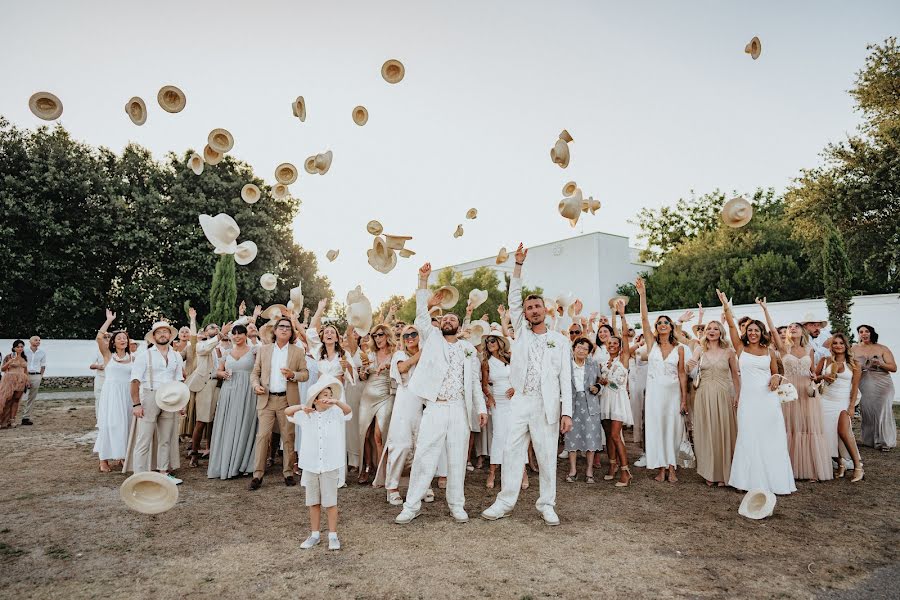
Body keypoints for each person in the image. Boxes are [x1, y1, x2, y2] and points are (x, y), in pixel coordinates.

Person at [482, 244, 572, 526]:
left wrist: (566, 411)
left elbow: (565, 380)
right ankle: (505, 502)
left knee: (546, 456)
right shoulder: (520, 330)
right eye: (529, 307)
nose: (533, 310)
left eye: (537, 307)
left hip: (547, 404)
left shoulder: (560, 340)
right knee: (511, 451)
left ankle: (547, 504)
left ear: (545, 310)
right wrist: (517, 265)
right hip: (519, 400)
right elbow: (513, 298)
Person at [395, 262, 487, 525]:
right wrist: (423, 282)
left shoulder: (468, 349)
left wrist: (480, 408)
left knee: (458, 457)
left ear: (459, 327)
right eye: (445, 318)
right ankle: (411, 506)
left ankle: (457, 505)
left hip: (459, 408)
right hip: (435, 407)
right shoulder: (432, 338)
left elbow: (474, 383)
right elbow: (421, 318)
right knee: (425, 455)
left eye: (452, 320)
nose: (447, 320)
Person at [718, 290, 795, 495]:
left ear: (762, 333)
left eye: (756, 330)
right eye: (750, 330)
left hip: (767, 399)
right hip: (748, 399)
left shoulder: (769, 351)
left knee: (771, 437)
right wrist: (726, 305)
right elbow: (732, 325)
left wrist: (777, 377)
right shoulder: (740, 347)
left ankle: (775, 481)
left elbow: (775, 371)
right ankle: (746, 481)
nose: (752, 333)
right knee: (748, 436)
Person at [758, 299, 832, 481]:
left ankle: (811, 470)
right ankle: (786, 467)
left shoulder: (810, 349)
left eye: (795, 327)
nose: (792, 328)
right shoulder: (784, 348)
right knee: (787, 426)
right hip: (788, 390)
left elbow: (812, 370)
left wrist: (815, 377)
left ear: (802, 331)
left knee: (808, 426)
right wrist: (765, 309)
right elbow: (773, 331)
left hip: (807, 389)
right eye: (790, 327)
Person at [374, 325, 438, 504]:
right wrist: (422, 353)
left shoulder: (429, 357)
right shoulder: (400, 355)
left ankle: (423, 485)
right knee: (401, 445)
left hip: (424, 405)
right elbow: (402, 369)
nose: (410, 337)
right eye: (406, 335)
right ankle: (392, 487)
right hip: (405, 404)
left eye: (414, 334)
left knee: (422, 446)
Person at [287, 375, 352, 551]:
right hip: (311, 465)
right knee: (313, 502)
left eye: (330, 394)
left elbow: (348, 411)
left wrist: (336, 402)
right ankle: (314, 534)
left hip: (330, 464)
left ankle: (333, 535)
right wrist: (303, 406)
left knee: (330, 502)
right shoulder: (306, 416)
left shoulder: (337, 413)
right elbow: (288, 412)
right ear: (315, 399)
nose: (327, 397)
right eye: (324, 394)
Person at [636, 277, 687, 483]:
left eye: (666, 322)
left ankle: (672, 467)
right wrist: (643, 295)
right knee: (657, 427)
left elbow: (683, 373)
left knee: (673, 428)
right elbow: (644, 319)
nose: (663, 324)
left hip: (673, 393)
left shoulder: (680, 348)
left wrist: (684, 399)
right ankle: (660, 468)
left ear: (672, 326)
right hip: (655, 393)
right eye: (660, 323)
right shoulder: (652, 345)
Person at [249, 316, 310, 490]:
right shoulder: (264, 350)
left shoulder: (297, 352)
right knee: (262, 436)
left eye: (288, 328)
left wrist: (293, 375)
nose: (284, 329)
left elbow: (305, 374)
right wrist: (255, 385)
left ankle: (288, 473)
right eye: (281, 326)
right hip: (266, 399)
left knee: (288, 437)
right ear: (275, 330)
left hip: (287, 400)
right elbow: (255, 373)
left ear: (291, 333)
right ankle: (258, 475)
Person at [123, 321, 185, 483]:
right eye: (159, 332)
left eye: (166, 332)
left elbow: (179, 380)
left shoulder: (176, 356)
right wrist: (136, 404)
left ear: (170, 335)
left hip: (171, 398)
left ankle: (163, 473)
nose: (163, 334)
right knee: (144, 438)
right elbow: (135, 381)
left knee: (166, 438)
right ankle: (139, 475)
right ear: (154, 336)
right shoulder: (145, 355)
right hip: (150, 397)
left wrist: (181, 403)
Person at [685, 320, 740, 487]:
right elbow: (689, 368)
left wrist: (738, 395)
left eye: (716, 328)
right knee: (707, 432)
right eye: (709, 328)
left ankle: (724, 473)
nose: (712, 331)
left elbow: (736, 376)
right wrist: (689, 364)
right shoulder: (700, 349)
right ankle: (709, 472)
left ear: (721, 332)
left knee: (724, 432)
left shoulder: (729, 352)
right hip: (704, 394)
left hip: (724, 394)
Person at [207, 324, 259, 480]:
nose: (237, 337)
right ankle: (225, 462)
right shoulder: (227, 353)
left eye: (240, 334)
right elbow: (216, 372)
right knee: (227, 425)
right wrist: (221, 373)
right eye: (234, 334)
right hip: (228, 392)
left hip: (247, 392)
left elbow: (260, 370)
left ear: (246, 336)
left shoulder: (254, 351)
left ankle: (243, 464)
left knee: (245, 424)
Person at [815, 333, 865, 481]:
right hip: (824, 401)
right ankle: (840, 463)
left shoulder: (854, 364)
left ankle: (858, 466)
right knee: (828, 433)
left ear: (846, 346)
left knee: (844, 432)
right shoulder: (825, 361)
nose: (838, 345)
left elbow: (855, 388)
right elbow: (814, 377)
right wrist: (823, 377)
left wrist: (851, 407)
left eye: (841, 343)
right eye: (835, 343)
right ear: (832, 346)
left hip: (842, 402)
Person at [482, 327, 526, 490]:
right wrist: (490, 396)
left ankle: (522, 472)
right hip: (498, 402)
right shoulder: (486, 362)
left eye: (492, 340)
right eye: (487, 342)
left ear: (500, 342)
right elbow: (484, 384)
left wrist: (515, 388)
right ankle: (492, 473)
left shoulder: (511, 357)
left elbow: (522, 376)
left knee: (516, 435)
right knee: (499, 436)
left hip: (514, 401)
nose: (490, 344)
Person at [92, 311, 134, 473]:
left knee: (127, 425)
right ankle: (103, 460)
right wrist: (109, 320)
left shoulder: (134, 357)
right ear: (113, 342)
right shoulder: (108, 355)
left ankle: (122, 456)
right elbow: (99, 338)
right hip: (112, 395)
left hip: (128, 395)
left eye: (125, 338)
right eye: (119, 338)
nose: (123, 340)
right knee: (111, 425)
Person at [599, 300, 634, 486]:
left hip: (618, 400)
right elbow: (601, 381)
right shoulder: (604, 363)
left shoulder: (624, 358)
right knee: (607, 434)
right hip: (605, 400)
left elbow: (626, 338)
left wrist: (621, 315)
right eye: (609, 343)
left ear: (620, 346)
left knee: (615, 435)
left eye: (615, 343)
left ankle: (625, 471)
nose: (611, 345)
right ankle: (612, 465)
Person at [357, 323, 396, 484]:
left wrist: (389, 366)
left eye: (380, 335)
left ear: (387, 335)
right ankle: (367, 467)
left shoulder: (396, 354)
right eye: (375, 335)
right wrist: (363, 372)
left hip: (386, 395)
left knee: (379, 435)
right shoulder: (369, 354)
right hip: (367, 396)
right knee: (365, 434)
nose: (377, 338)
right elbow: (363, 378)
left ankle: (382, 472)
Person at [186, 314, 227, 467]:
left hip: (221, 386)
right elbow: (206, 348)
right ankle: (194, 454)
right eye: (212, 327)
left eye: (217, 327)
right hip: (206, 385)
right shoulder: (200, 345)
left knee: (216, 421)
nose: (215, 329)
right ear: (204, 332)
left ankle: (213, 451)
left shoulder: (222, 348)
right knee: (202, 421)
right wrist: (220, 335)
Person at [564, 337, 603, 483]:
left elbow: (601, 380)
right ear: (573, 348)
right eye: (578, 347)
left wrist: (597, 387)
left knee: (590, 437)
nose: (581, 350)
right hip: (571, 404)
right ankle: (573, 470)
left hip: (590, 404)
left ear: (589, 352)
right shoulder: (566, 365)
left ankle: (589, 470)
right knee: (572, 436)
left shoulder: (593, 364)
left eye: (585, 349)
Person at [854, 324, 897, 452]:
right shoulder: (853, 349)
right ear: (859, 335)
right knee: (867, 410)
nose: (864, 334)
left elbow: (894, 368)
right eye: (861, 332)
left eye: (866, 331)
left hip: (883, 383)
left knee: (882, 410)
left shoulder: (882, 348)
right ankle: (869, 440)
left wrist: (881, 363)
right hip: (864, 383)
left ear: (871, 333)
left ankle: (884, 441)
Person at [0, 341, 28, 428]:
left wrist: (27, 381)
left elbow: (25, 370)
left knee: (16, 400)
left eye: (22, 347)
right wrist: (10, 362)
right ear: (14, 348)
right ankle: (2, 420)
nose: (20, 348)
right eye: (18, 347)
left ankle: (12, 420)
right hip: (10, 380)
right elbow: (3, 369)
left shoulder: (24, 357)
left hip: (21, 381)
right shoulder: (8, 356)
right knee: (6, 400)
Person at [20, 335, 46, 426]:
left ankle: (25, 418)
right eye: (36, 340)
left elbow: (43, 365)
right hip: (24, 375)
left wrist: (40, 376)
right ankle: (10, 417)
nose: (38, 341)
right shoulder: (24, 351)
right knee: (17, 396)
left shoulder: (42, 352)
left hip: (36, 376)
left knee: (31, 397)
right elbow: (22, 365)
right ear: (30, 341)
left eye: (39, 340)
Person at [90, 331, 112, 425]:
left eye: (108, 337)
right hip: (101, 378)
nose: (107, 338)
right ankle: (100, 421)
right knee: (99, 398)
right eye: (105, 337)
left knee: (111, 399)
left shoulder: (115, 351)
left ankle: (109, 419)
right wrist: (98, 366)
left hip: (112, 379)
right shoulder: (97, 351)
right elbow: (91, 365)